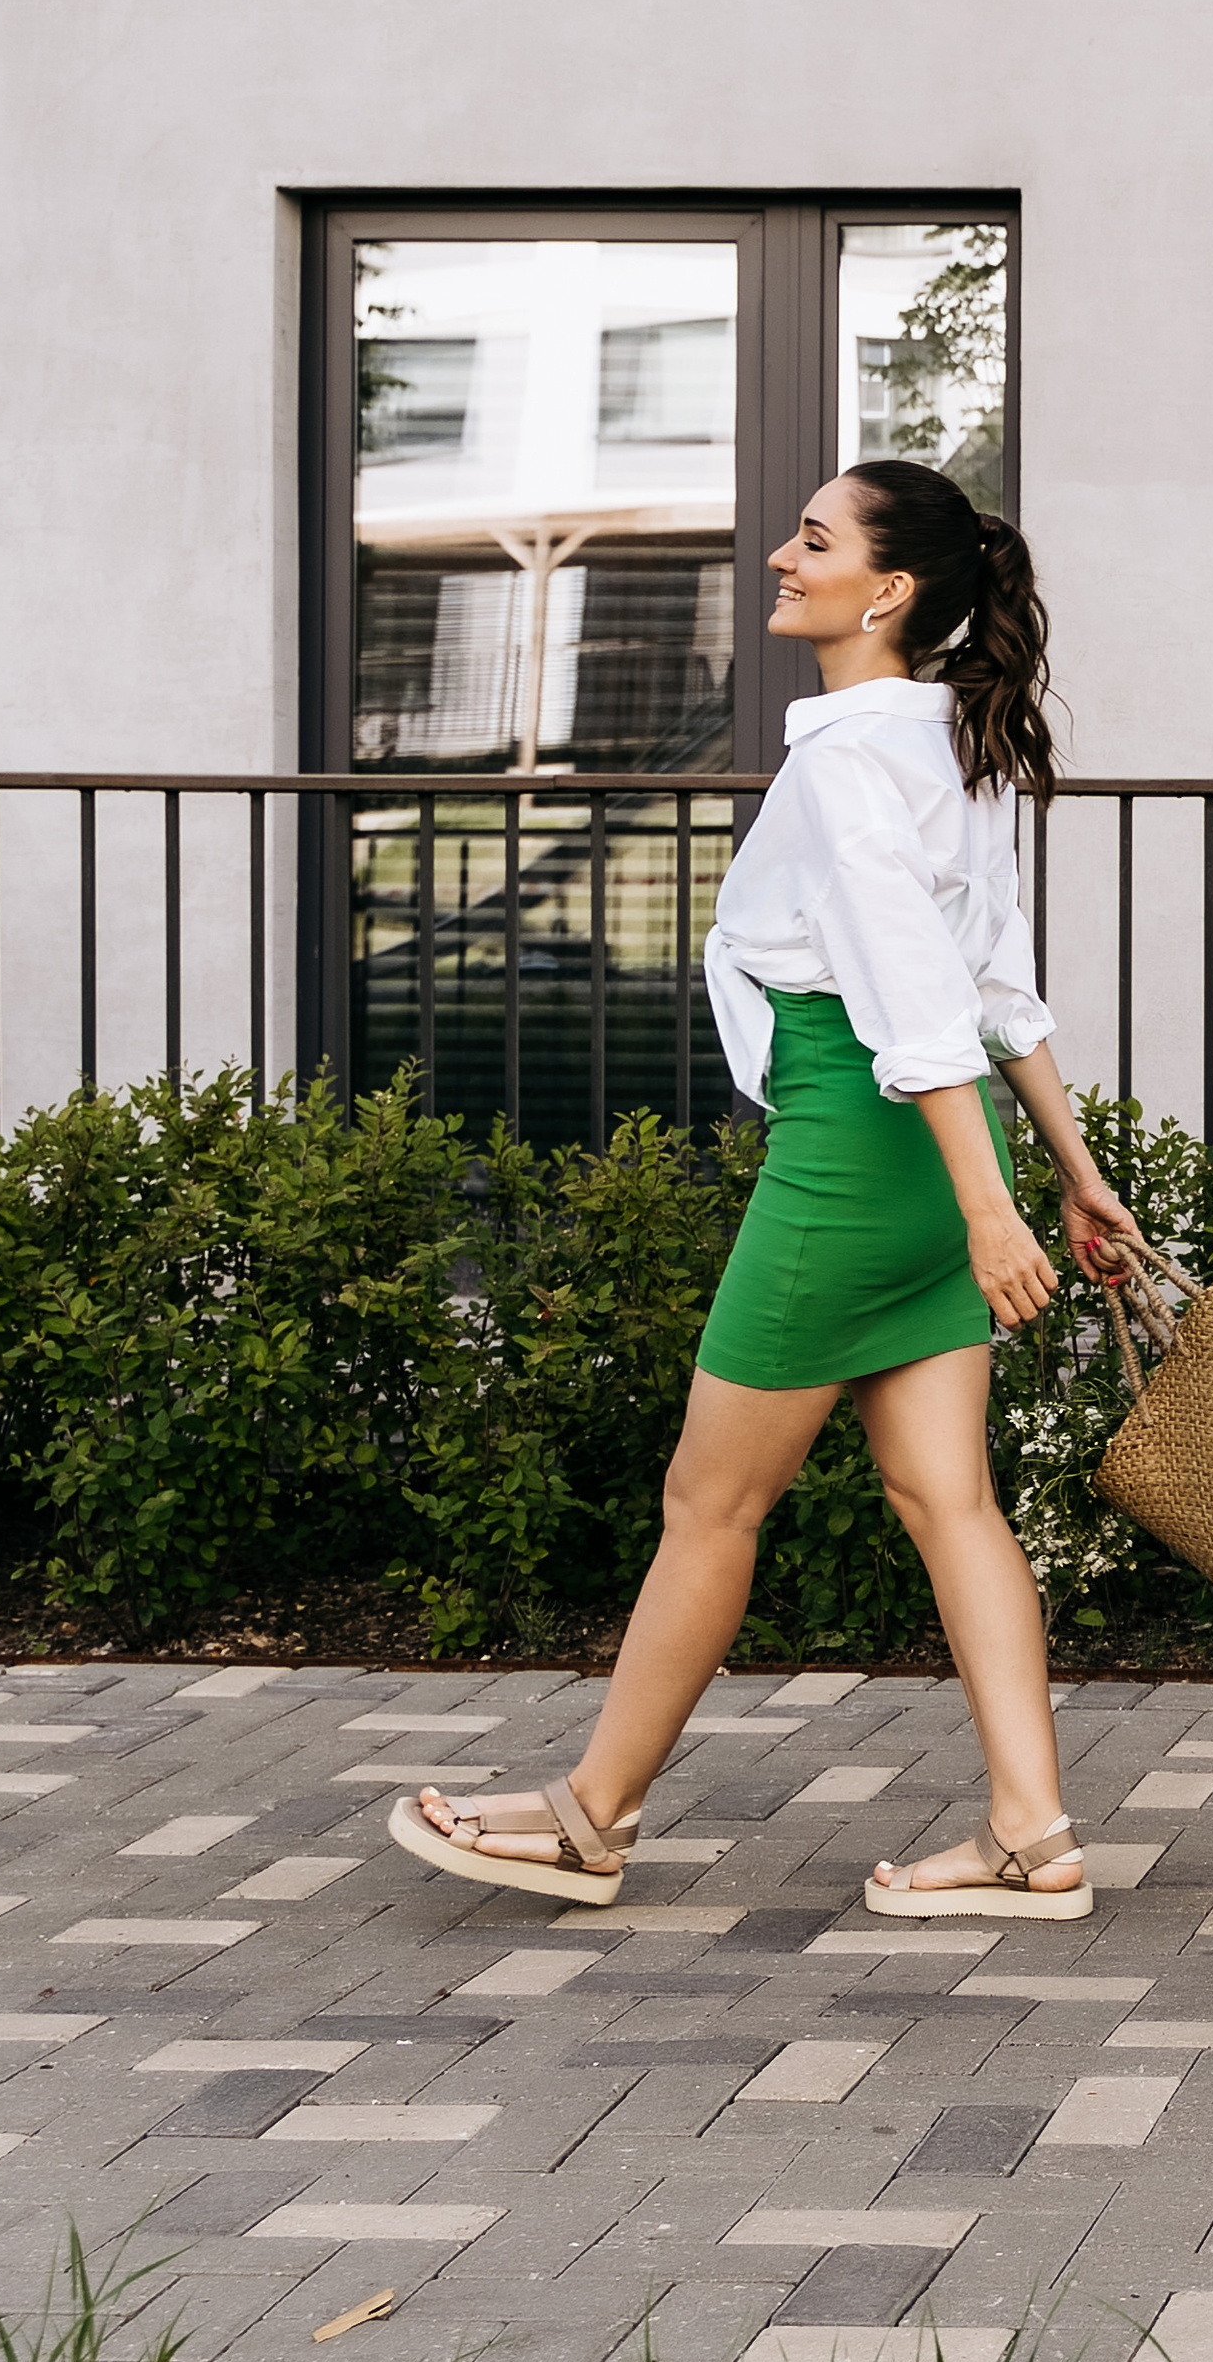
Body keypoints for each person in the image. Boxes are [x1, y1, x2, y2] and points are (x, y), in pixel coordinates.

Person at [389, 458, 1146, 1923]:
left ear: (889, 590)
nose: (782, 560)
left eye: (814, 541)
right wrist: (1072, 1177)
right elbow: (999, 989)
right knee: (951, 1502)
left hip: (859, 1154)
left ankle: (590, 1819)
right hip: (937, 1153)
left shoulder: (856, 756)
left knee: (710, 1500)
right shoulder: (952, 744)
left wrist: (999, 1209)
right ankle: (1032, 1834)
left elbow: (920, 997)